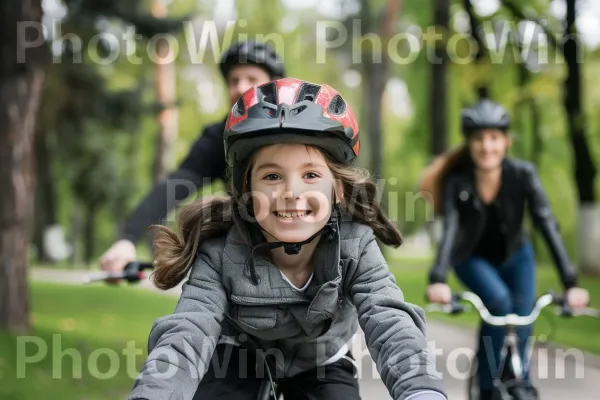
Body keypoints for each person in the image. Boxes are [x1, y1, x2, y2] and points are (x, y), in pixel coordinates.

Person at [128, 78, 448, 400]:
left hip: (321, 360)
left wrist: (421, 390)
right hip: (237, 355)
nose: (292, 193)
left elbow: (390, 323)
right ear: (246, 191)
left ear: (337, 189)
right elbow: (187, 334)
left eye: (310, 175)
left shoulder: (356, 244)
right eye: (272, 176)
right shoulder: (221, 251)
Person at [422, 99, 590, 400]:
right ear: (470, 143)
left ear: (506, 141)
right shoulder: (457, 182)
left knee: (523, 315)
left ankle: (520, 380)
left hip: (516, 256)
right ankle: (486, 389)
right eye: (479, 139)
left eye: (494, 138)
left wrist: (571, 283)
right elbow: (450, 231)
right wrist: (438, 278)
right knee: (499, 304)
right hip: (471, 258)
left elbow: (546, 223)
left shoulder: (523, 174)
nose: (487, 147)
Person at [99, 40, 285, 275]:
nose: (240, 87)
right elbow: (174, 187)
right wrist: (127, 239)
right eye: (233, 81)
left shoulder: (302, 131)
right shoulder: (219, 138)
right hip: (248, 259)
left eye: (251, 79)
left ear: (274, 86)